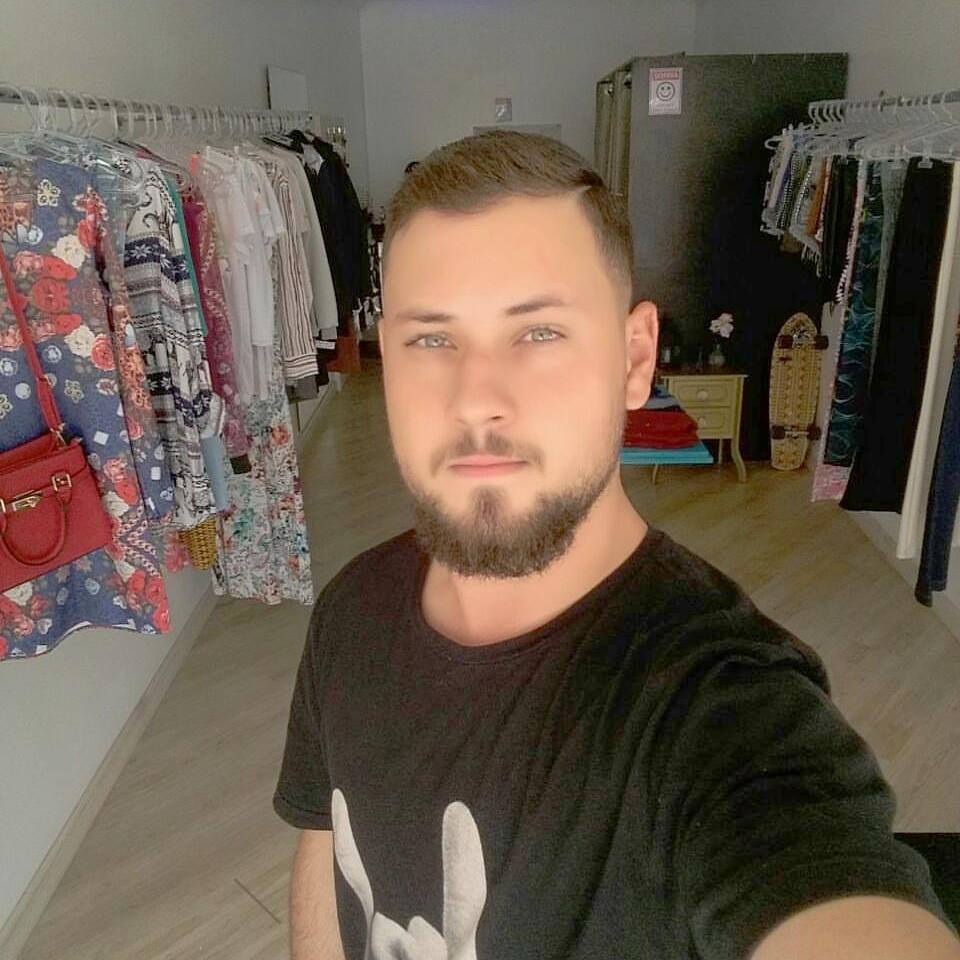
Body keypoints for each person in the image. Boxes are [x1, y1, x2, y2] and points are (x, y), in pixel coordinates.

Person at [273, 131, 960, 960]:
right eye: (432, 338)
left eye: (539, 333)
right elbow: (324, 845)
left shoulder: (720, 709)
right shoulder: (348, 612)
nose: (476, 399)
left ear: (636, 357)